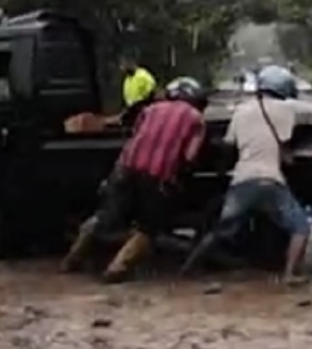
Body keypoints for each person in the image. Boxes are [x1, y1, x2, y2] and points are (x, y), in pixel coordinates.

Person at [180, 66, 312, 285]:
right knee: (300, 227)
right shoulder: (286, 111)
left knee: (220, 230)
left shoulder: (240, 110)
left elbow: (228, 146)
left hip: (242, 180)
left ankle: (187, 271)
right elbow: (285, 144)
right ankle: (289, 275)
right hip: (271, 181)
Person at [60, 77, 207, 283]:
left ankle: (71, 259)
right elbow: (190, 156)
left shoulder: (151, 110)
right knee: (148, 229)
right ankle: (116, 269)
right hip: (158, 176)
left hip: (125, 168)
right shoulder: (196, 119)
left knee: (104, 216)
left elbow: (135, 135)